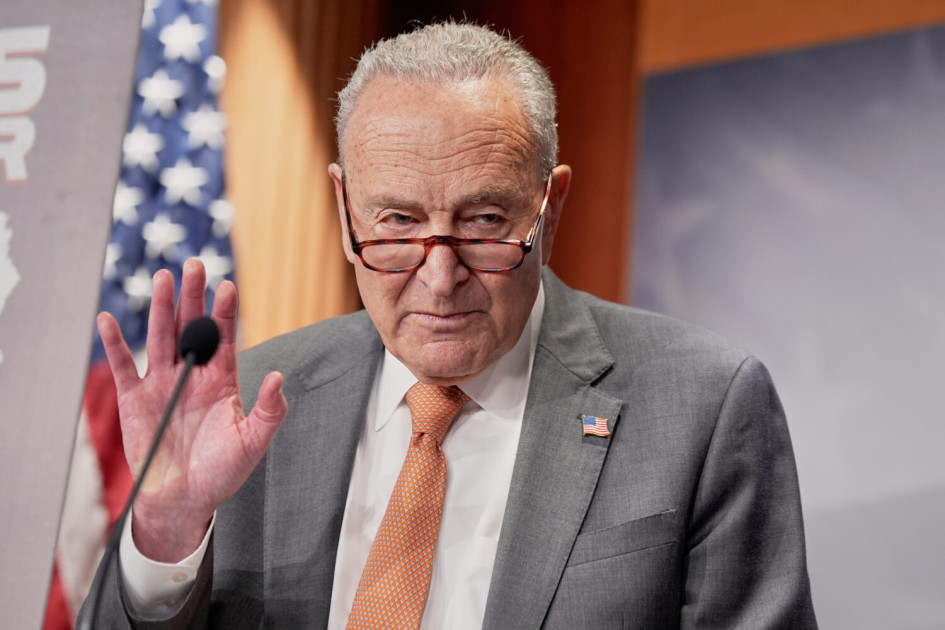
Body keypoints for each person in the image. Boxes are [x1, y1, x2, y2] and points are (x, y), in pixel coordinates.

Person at [84, 21, 817, 629]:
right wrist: (166, 533)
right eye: (398, 222)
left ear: (548, 207)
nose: (440, 278)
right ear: (345, 209)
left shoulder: (701, 406)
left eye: (485, 222)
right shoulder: (245, 408)